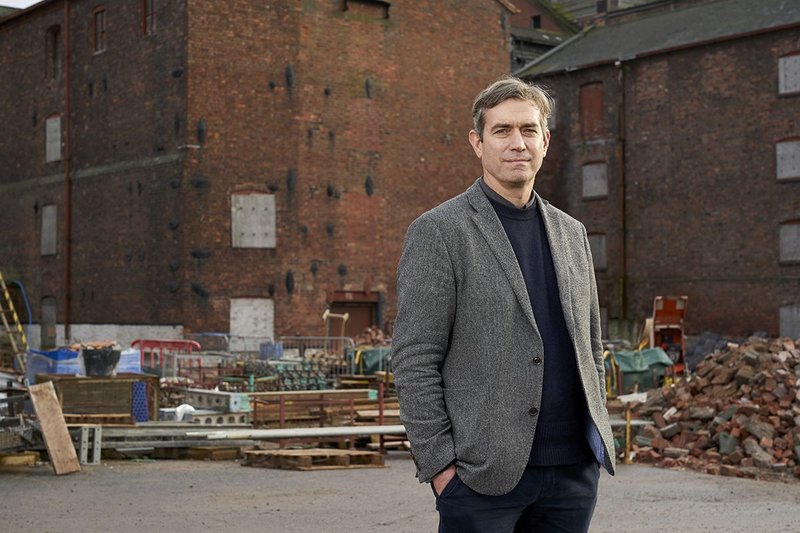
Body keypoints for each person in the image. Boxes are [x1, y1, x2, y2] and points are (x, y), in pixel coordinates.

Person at [391, 76, 616, 532]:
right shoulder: (441, 231)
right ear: (478, 142)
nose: (518, 143)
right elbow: (414, 359)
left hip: (573, 472)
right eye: (502, 131)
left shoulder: (573, 233)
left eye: (529, 130)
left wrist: (595, 442)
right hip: (482, 479)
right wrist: (441, 470)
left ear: (546, 141)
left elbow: (590, 345)